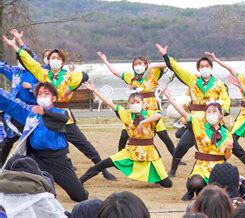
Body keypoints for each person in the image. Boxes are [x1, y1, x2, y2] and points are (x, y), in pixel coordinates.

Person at [2, 35, 116, 181]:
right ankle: (33, 173)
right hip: (45, 114)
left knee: (83, 144)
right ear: (48, 61)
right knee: (33, 143)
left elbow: (84, 76)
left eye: (57, 58)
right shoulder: (44, 75)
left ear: (62, 62)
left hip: (63, 115)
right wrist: (15, 46)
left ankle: (102, 169)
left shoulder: (69, 76)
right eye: (51, 58)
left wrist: (70, 88)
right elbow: (30, 62)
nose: (54, 60)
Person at [0, 82, 88, 202]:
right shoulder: (31, 113)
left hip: (58, 160)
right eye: (40, 94)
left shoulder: (61, 113)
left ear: (54, 98)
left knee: (80, 196)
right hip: (35, 159)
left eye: (46, 94)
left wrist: (44, 113)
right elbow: (10, 103)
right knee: (12, 163)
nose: (42, 96)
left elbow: (62, 119)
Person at [156, 44, 233, 177]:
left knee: (231, 145)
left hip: (213, 121)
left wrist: (222, 111)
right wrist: (166, 56)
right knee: (182, 146)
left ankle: (244, 167)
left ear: (211, 67)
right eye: (201, 66)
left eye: (206, 66)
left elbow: (226, 101)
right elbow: (178, 69)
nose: (204, 68)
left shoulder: (219, 84)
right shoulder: (193, 80)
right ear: (198, 69)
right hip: (195, 122)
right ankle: (173, 170)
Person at [79, 82, 172, 187]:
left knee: (167, 184)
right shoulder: (125, 114)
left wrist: (143, 122)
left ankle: (155, 177)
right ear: (128, 105)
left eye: (137, 102)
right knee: (104, 163)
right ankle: (80, 181)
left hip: (149, 153)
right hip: (130, 151)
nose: (135, 104)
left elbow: (158, 115)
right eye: (132, 102)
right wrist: (95, 91)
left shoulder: (150, 113)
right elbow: (109, 103)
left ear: (143, 104)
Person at [97, 51, 176, 156]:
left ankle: (176, 157)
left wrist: (152, 66)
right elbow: (115, 72)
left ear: (145, 64)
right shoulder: (131, 77)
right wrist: (105, 60)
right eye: (135, 64)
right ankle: (120, 157)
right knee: (124, 135)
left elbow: (169, 64)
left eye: (140, 63)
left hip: (151, 110)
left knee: (163, 135)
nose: (138, 66)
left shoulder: (153, 73)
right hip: (135, 110)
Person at [164, 89, 233, 201]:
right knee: (194, 184)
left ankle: (205, 189)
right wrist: (171, 100)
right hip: (202, 166)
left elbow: (227, 157)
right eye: (208, 112)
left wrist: (229, 149)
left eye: (214, 111)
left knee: (217, 193)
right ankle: (191, 191)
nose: (211, 114)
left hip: (218, 168)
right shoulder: (199, 127)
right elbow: (184, 113)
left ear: (221, 115)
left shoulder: (227, 134)